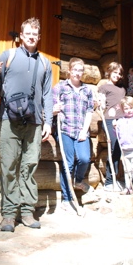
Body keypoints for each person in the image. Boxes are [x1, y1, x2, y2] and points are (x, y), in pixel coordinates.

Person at [0, 17, 53, 232]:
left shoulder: (45, 63)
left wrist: (48, 122)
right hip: (9, 119)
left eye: (35, 34)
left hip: (34, 122)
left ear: (39, 37)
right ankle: (8, 214)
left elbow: (47, 95)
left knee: (29, 165)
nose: (32, 37)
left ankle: (27, 211)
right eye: (28, 34)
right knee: (9, 166)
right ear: (21, 37)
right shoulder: (8, 56)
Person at [52, 58, 95, 212]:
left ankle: (78, 181)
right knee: (68, 164)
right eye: (75, 70)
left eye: (80, 70)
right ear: (69, 71)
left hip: (81, 131)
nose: (77, 73)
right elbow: (50, 107)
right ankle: (67, 198)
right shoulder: (60, 87)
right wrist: (54, 110)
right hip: (65, 130)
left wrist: (84, 130)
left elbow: (90, 111)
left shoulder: (88, 90)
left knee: (84, 159)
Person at [97, 62, 133, 190]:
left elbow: (132, 91)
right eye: (115, 73)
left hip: (122, 120)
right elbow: (101, 103)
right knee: (113, 147)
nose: (117, 76)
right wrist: (100, 104)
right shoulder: (104, 87)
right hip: (109, 120)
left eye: (119, 74)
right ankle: (109, 181)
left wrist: (131, 76)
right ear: (109, 72)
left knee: (120, 148)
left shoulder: (122, 88)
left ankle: (117, 179)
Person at [113, 96, 133, 196]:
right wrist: (115, 128)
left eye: (131, 108)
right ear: (122, 109)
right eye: (126, 109)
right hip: (124, 149)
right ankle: (128, 187)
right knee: (127, 169)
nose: (129, 111)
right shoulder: (120, 121)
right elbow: (117, 136)